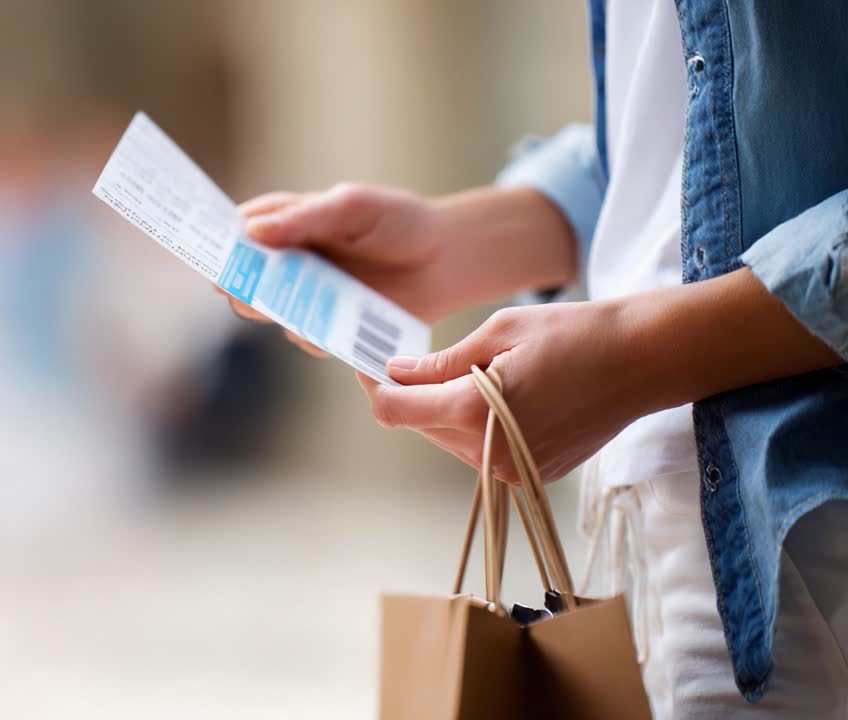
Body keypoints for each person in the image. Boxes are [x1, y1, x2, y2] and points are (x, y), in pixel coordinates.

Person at [223, 2, 848, 717]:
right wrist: (448, 244)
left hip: (803, 545)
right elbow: (684, 123)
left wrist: (638, 356)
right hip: (645, 543)